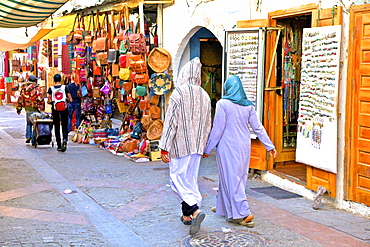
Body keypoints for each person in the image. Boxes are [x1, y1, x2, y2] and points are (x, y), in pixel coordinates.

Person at [203, 75, 277, 228]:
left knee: (231, 179)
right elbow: (258, 128)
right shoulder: (248, 105)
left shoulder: (223, 104)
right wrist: (269, 146)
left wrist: (208, 148)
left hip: (227, 147)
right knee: (236, 178)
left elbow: (218, 129)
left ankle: (244, 212)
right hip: (243, 146)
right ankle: (224, 207)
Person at [159, 57, 211, 235]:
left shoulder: (179, 93)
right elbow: (207, 124)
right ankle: (187, 216)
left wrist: (164, 146)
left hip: (180, 145)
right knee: (189, 179)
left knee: (177, 180)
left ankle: (195, 210)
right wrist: (204, 147)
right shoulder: (204, 94)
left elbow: (171, 122)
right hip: (196, 146)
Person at [16, 75, 45, 145]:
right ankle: (34, 140)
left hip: (27, 108)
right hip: (35, 108)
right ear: (35, 81)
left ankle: (28, 136)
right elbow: (41, 99)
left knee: (29, 123)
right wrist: (42, 108)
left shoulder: (24, 89)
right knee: (35, 123)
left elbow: (20, 99)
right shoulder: (37, 89)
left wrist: (19, 108)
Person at [47, 74, 72, 152]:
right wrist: (66, 100)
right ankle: (65, 140)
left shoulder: (51, 89)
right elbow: (71, 99)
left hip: (55, 109)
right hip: (64, 109)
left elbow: (49, 100)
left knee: (56, 126)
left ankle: (59, 145)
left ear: (54, 80)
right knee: (64, 125)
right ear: (60, 80)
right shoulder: (65, 88)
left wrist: (52, 102)